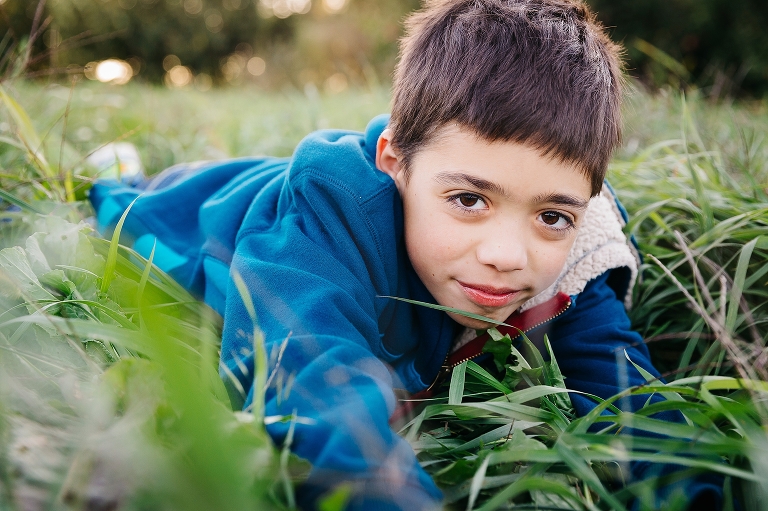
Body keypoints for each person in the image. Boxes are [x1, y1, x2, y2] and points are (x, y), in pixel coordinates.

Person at [88, 0, 724, 509]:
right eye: (470, 200)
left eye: (552, 216)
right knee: (127, 195)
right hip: (195, 215)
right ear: (396, 161)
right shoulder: (328, 215)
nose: (507, 255)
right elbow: (309, 377)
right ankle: (123, 167)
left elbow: (627, 395)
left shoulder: (577, 251)